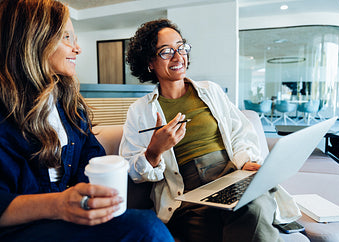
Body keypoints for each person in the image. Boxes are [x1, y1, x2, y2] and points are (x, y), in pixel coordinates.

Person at [0, 1, 173, 241]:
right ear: (33, 40)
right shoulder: (5, 111)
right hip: (20, 228)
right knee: (145, 227)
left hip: (66, 220)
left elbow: (93, 158)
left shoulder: (70, 107)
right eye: (67, 37)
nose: (78, 48)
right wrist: (59, 203)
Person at [120, 19, 282, 241]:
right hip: (188, 195)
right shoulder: (140, 110)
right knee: (230, 223)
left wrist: (245, 161)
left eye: (181, 47)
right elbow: (130, 169)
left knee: (253, 205)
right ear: (150, 62)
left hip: (230, 175)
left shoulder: (210, 91)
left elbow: (239, 133)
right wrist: (154, 152)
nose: (178, 57)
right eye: (166, 52)